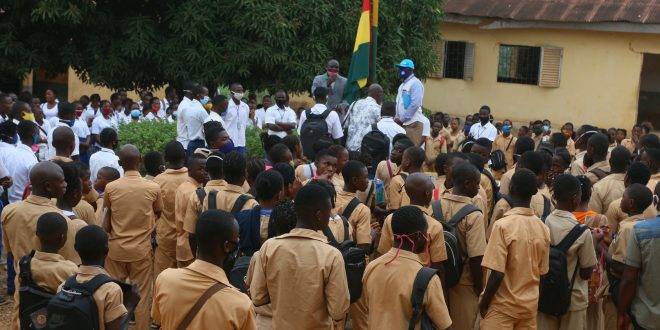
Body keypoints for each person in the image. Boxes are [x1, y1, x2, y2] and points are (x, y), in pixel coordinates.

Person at [250, 184, 350, 329]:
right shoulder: (331, 255)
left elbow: (258, 297)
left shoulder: (269, 247)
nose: (329, 216)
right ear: (319, 215)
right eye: (329, 211)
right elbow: (338, 311)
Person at [2, 162, 84, 328]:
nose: (66, 184)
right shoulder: (63, 221)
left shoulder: (9, 211)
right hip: (53, 298)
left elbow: (10, 251)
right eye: (61, 181)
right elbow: (71, 263)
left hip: (23, 291)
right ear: (48, 186)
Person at [152, 209, 257, 329]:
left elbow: (159, 318)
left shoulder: (165, 279)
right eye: (237, 240)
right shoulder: (240, 305)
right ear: (227, 246)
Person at [102, 144, 163, 330]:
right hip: (141, 251)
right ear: (141, 161)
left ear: (120, 163)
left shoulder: (110, 188)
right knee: (142, 297)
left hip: (116, 250)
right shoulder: (153, 187)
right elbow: (159, 212)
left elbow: (106, 223)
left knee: (114, 296)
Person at [480, 169, 551, 329]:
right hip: (528, 309)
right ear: (534, 191)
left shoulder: (502, 226)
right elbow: (543, 274)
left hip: (501, 309)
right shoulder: (543, 228)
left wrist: (484, 304)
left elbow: (497, 274)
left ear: (510, 189)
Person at [364, 206, 452, 330]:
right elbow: (444, 325)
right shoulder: (427, 278)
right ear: (419, 237)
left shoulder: (371, 268)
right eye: (425, 232)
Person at [537, 174, 598, 330]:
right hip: (574, 299)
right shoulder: (583, 232)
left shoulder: (542, 224)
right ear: (575, 198)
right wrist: (595, 241)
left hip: (545, 296)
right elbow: (586, 272)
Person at [438, 162, 486, 329]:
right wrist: (480, 287)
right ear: (467, 183)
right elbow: (476, 257)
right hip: (464, 281)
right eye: (477, 183)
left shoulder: (435, 205)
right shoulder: (474, 214)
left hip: (437, 277)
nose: (479, 187)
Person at [66, 225, 141, 330]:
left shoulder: (65, 286)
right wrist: (130, 304)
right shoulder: (111, 290)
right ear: (106, 251)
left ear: (76, 248)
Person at [379, 172, 447, 268]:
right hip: (421, 279)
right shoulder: (435, 225)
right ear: (427, 194)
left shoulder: (390, 219)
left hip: (394, 273)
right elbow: (437, 264)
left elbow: (383, 252)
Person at [617, 183, 660, 330]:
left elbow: (629, 279)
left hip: (648, 317)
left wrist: (621, 312)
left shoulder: (641, 231)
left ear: (657, 201)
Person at [152, 141, 190, 280]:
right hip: (187, 241)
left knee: (162, 281)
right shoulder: (192, 178)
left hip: (165, 239)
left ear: (165, 158)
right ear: (185, 155)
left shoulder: (157, 181)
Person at [174, 153, 208, 267]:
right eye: (200, 169)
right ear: (190, 170)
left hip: (182, 245)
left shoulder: (184, 186)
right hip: (190, 249)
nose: (205, 172)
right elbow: (192, 229)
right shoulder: (192, 192)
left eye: (206, 169)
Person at [3, 121, 38, 203]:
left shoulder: (10, 154)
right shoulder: (31, 160)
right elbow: (35, 188)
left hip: (9, 203)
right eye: (37, 133)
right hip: (24, 205)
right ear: (32, 135)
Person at [588, 146, 630, 214]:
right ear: (629, 164)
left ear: (610, 162)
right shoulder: (638, 186)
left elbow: (594, 217)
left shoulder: (598, 187)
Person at [394, 59, 425, 146]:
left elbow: (415, 104)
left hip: (412, 124)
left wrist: (401, 119)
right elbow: (399, 104)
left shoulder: (415, 83)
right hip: (402, 124)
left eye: (402, 69)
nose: (400, 71)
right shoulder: (402, 85)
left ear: (410, 70)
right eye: (399, 68)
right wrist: (397, 119)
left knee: (411, 152)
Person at [345, 84, 383, 151]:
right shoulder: (378, 108)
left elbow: (346, 124)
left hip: (348, 147)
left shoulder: (354, 103)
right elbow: (381, 129)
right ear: (379, 95)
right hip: (364, 150)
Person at [185, 85, 211, 157]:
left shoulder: (189, 107)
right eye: (206, 94)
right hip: (200, 144)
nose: (207, 97)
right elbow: (210, 125)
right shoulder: (200, 110)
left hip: (191, 143)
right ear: (198, 95)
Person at [224, 82, 250, 154]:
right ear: (232, 92)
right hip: (229, 142)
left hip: (241, 142)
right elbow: (222, 122)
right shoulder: (226, 106)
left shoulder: (245, 107)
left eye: (242, 90)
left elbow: (245, 123)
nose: (241, 92)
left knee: (241, 164)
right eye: (238, 91)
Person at [176, 81, 198, 150]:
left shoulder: (192, 103)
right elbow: (191, 126)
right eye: (196, 89)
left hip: (189, 143)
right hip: (186, 144)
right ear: (190, 91)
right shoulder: (185, 106)